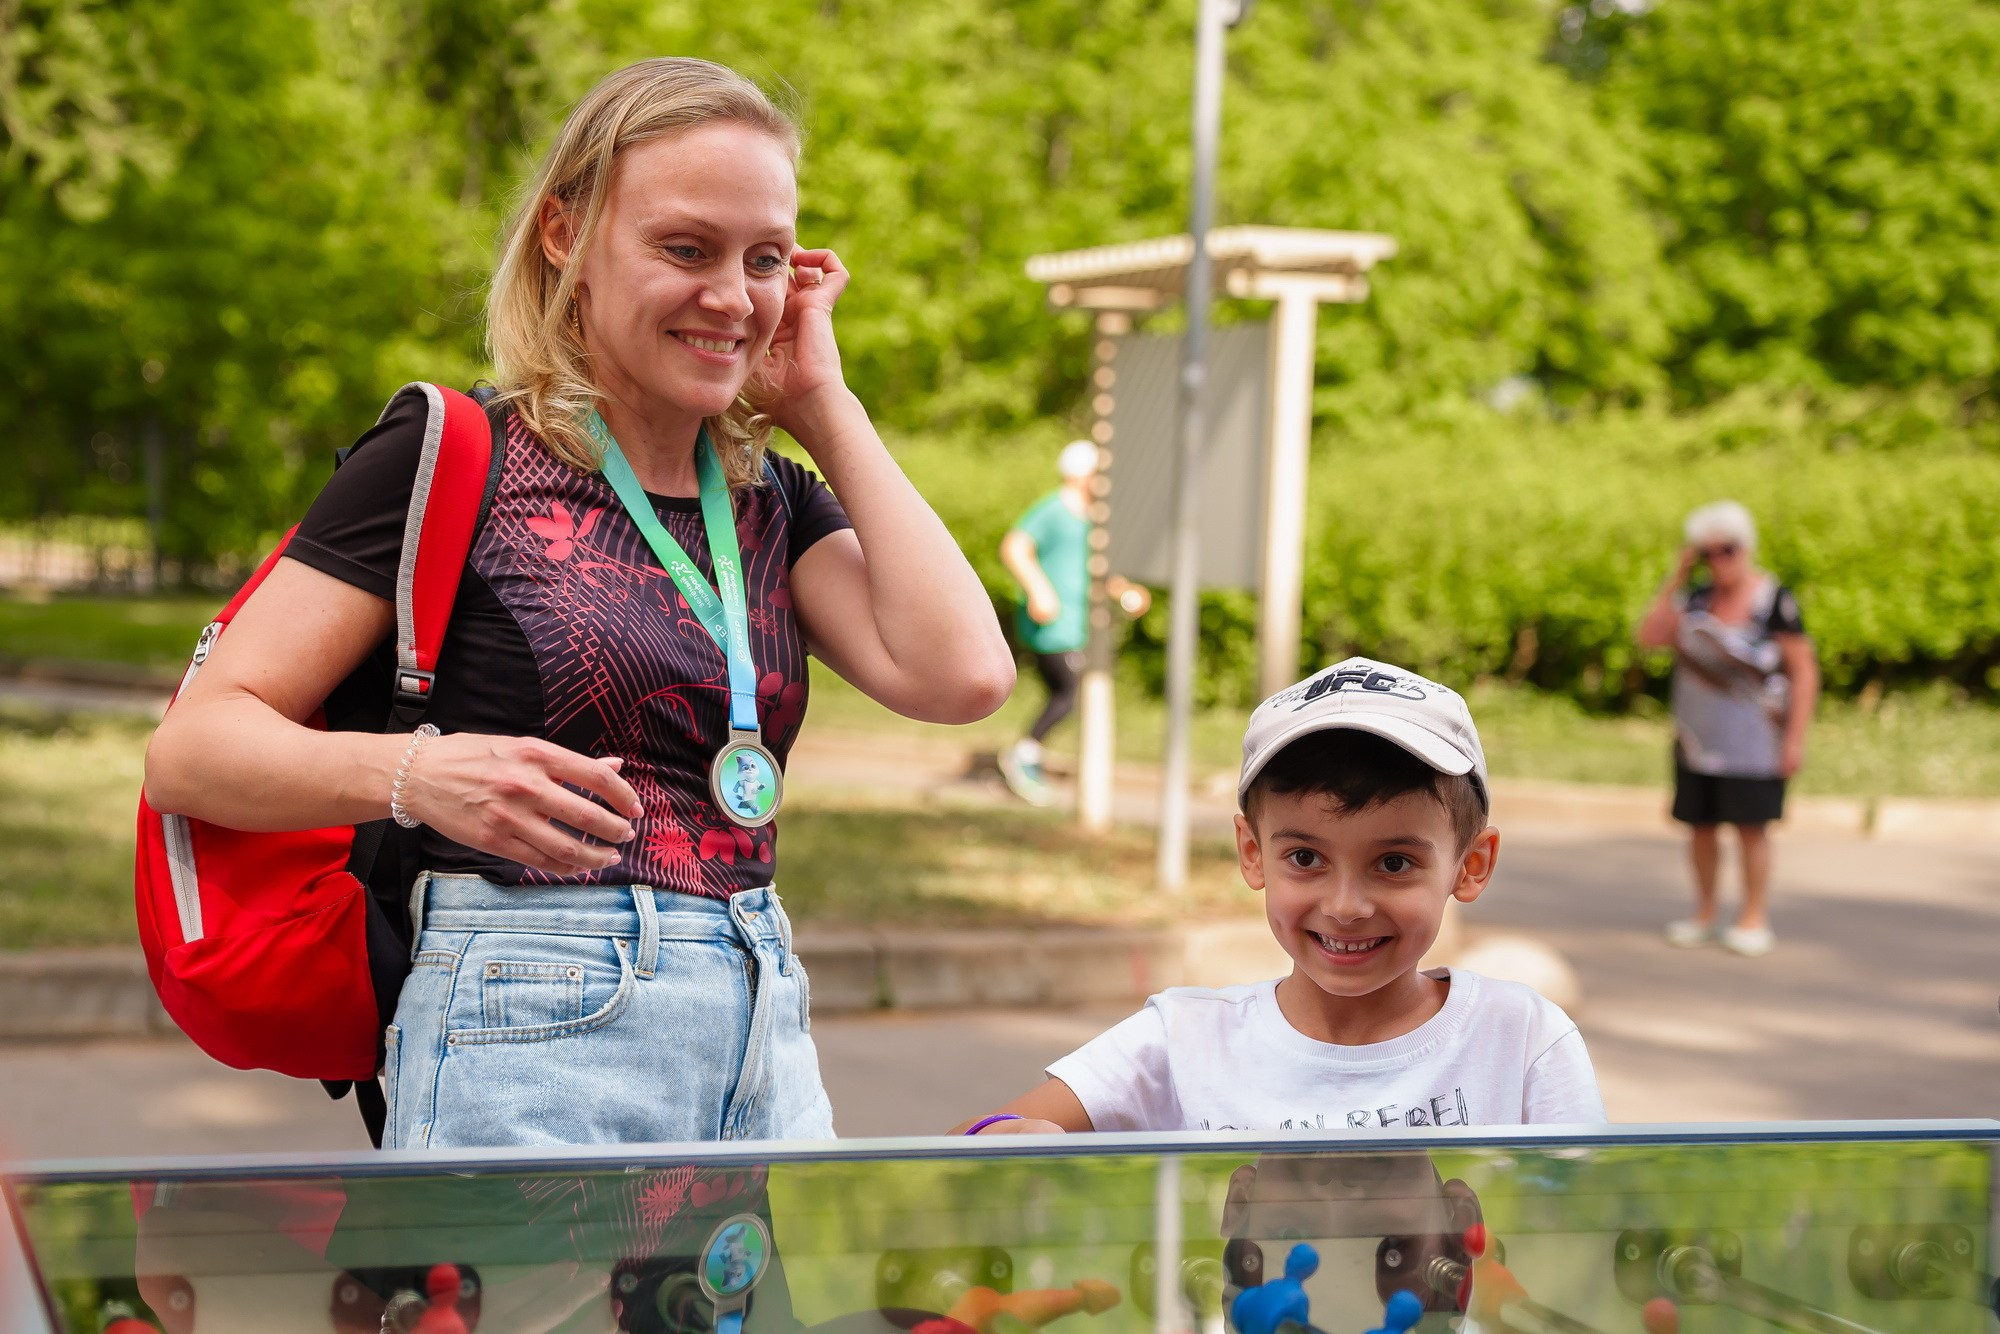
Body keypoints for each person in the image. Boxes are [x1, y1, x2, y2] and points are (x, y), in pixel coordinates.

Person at [143, 58, 1015, 1149]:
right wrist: (425, 776)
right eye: (685, 249)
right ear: (565, 234)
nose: (733, 296)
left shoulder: (768, 496)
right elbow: (192, 752)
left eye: (766, 260)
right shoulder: (454, 452)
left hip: (760, 1019)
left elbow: (962, 674)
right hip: (527, 1020)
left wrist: (821, 403)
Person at [954, 657, 1604, 1135]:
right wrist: (1008, 1141)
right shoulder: (1180, 1040)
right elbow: (952, 1151)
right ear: (1250, 851)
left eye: (1395, 862)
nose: (1346, 904)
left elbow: (1585, 1230)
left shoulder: (1522, 1039)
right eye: (1305, 858)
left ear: (1472, 864)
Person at [1636, 500, 1818, 958]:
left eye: (1728, 550)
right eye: (1707, 553)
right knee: (1700, 827)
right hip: (1698, 738)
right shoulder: (1694, 599)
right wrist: (1677, 576)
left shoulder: (1774, 600)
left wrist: (1795, 738)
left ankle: (1753, 917)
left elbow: (1803, 670)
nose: (1718, 561)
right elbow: (1651, 636)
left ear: (1747, 547)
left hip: (1756, 741)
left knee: (1751, 828)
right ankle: (1704, 912)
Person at [995, 440, 1148, 805]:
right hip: (1053, 625)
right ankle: (1023, 755)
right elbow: (1015, 547)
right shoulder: (1054, 510)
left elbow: (1098, 573)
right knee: (1071, 692)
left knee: (1068, 694)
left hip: (1079, 624)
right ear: (1082, 475)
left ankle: (1028, 754)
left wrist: (1125, 592)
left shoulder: (1095, 519)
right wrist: (1038, 590)